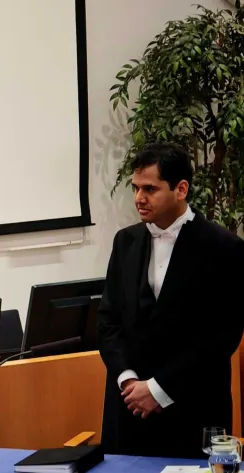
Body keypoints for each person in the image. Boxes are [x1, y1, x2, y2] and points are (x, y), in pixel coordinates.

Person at [96, 143, 244, 458]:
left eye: (150, 189)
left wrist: (158, 388)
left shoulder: (224, 247)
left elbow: (222, 336)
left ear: (181, 189)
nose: (139, 198)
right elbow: (108, 321)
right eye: (136, 188)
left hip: (193, 410)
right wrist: (128, 380)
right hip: (129, 410)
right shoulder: (125, 241)